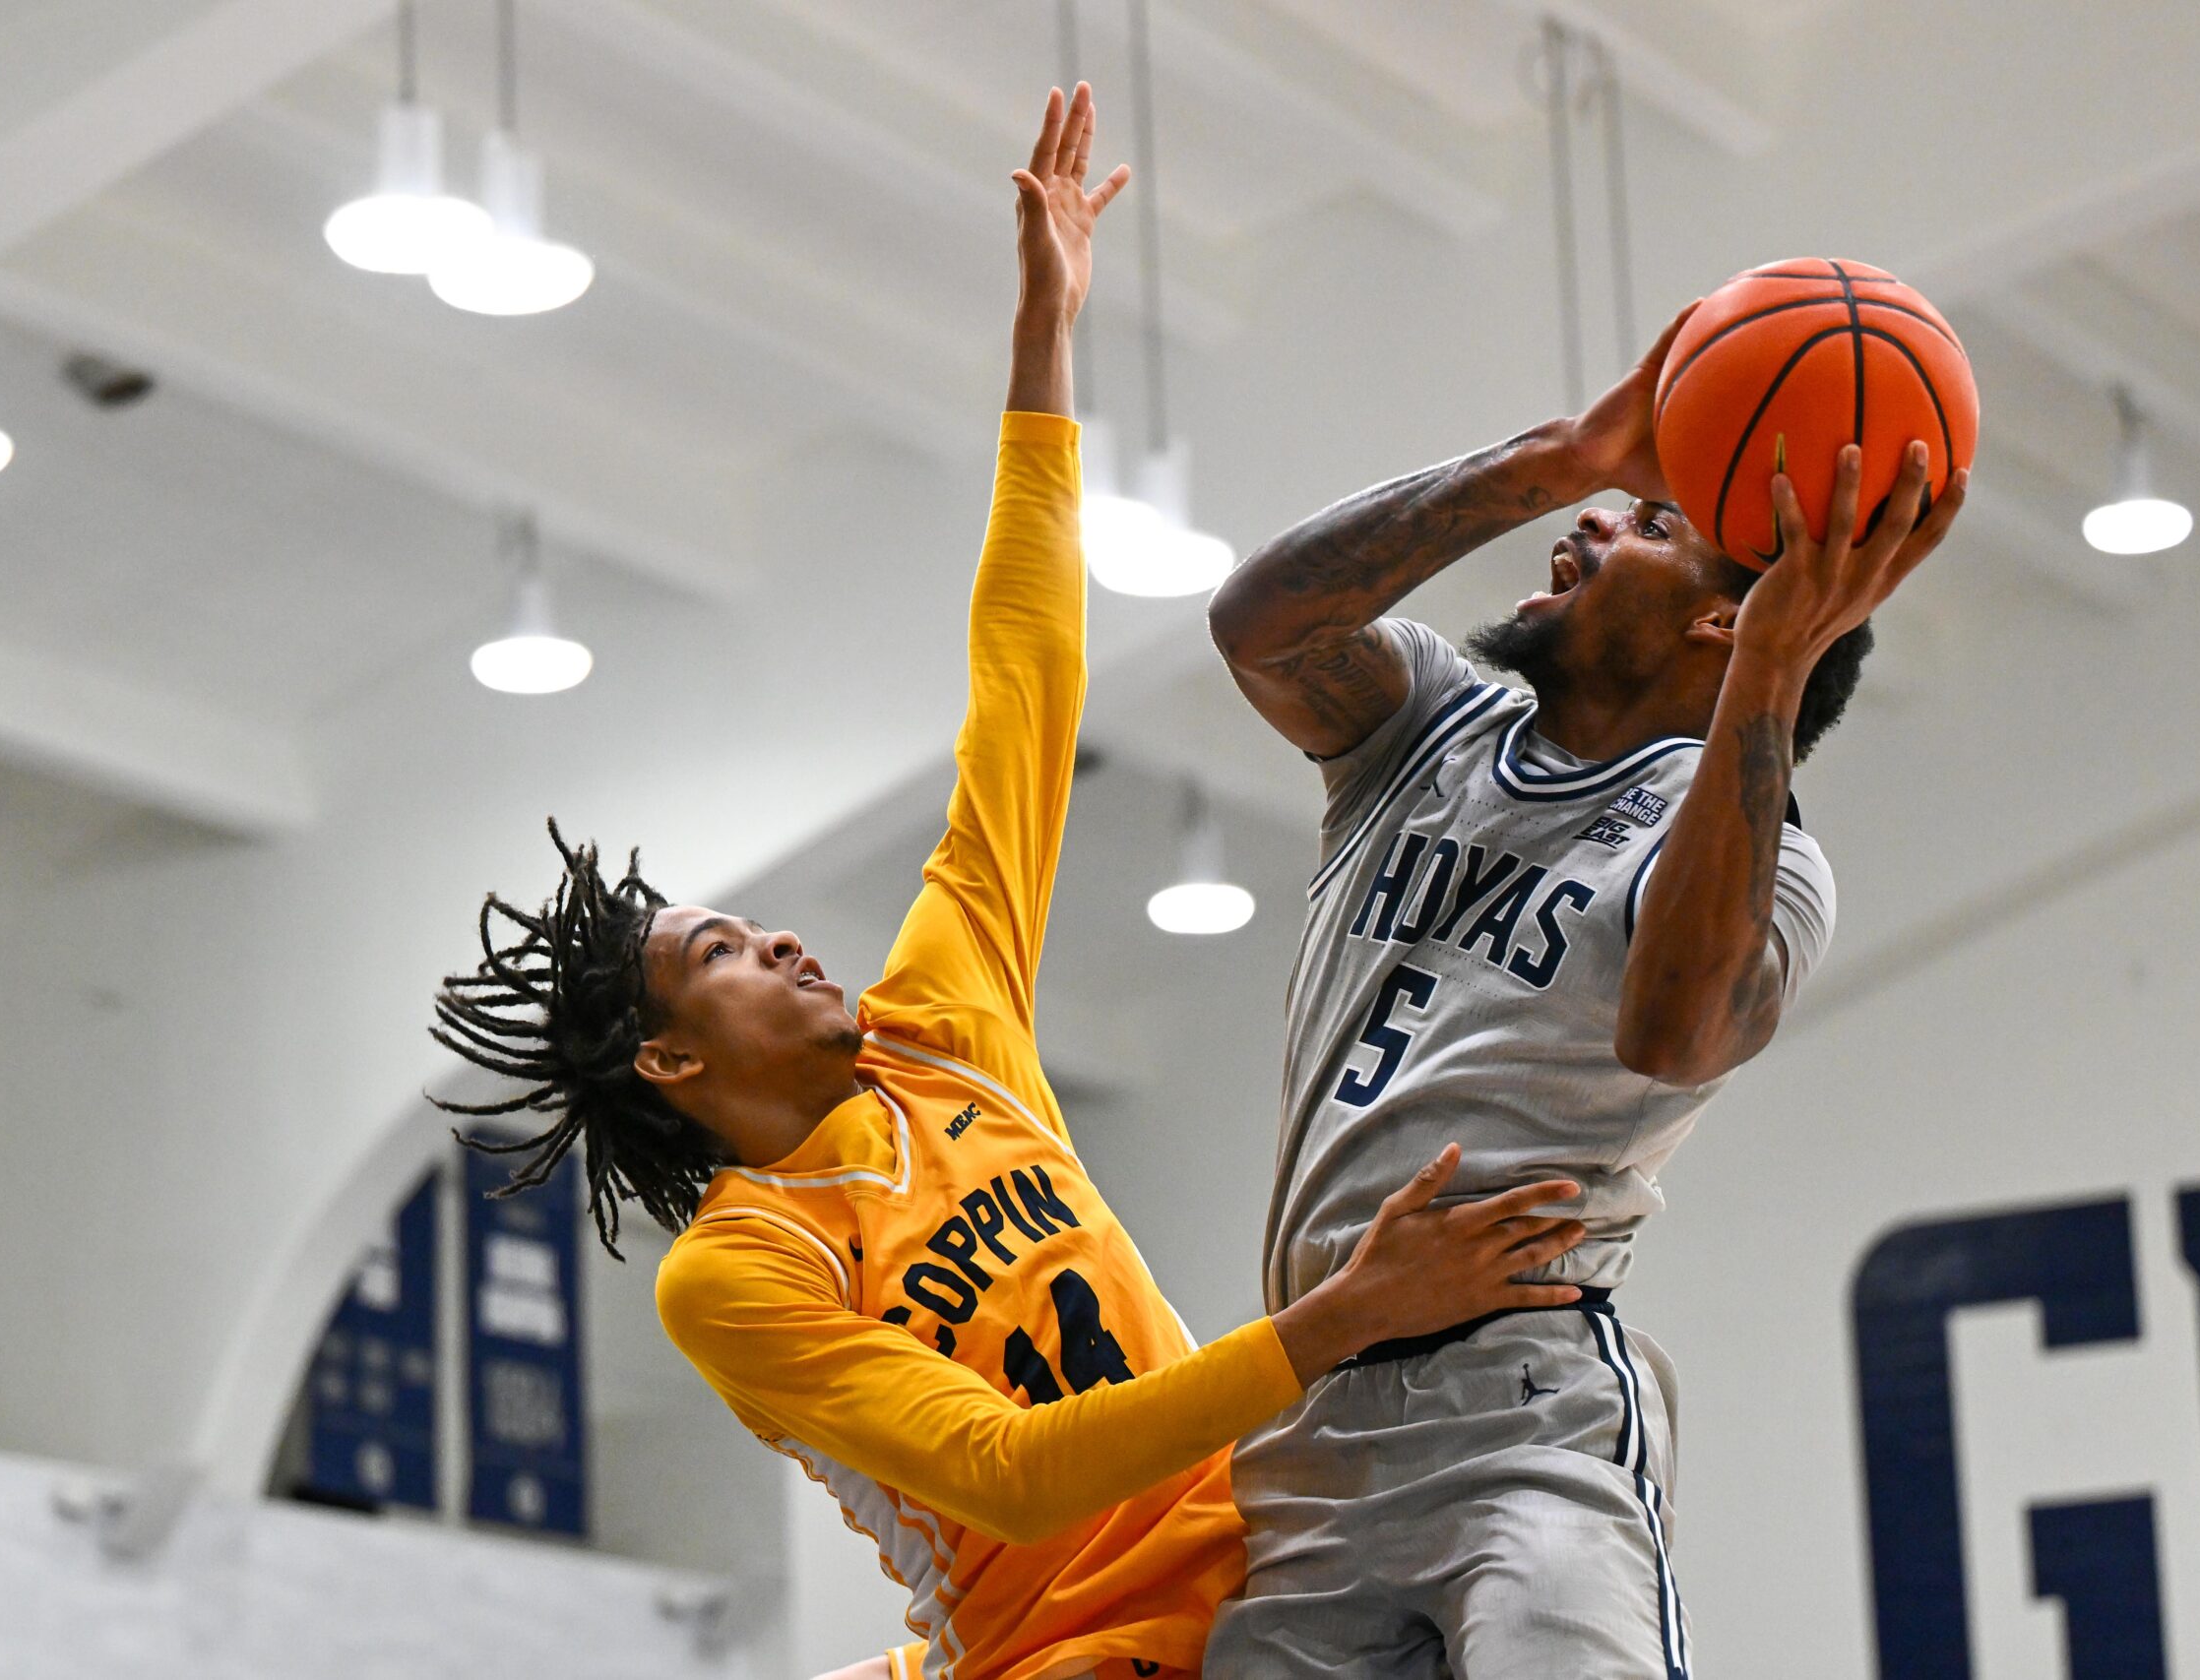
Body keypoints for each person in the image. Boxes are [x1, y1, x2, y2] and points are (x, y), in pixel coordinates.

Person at [428, 85, 1588, 1680]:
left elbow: (1024, 688)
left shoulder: (938, 1024)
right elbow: (1007, 1473)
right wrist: (1344, 1317)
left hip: (1264, 1564)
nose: (781, 937)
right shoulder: (740, 1272)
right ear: (673, 1061)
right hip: (1069, 1651)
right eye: (723, 953)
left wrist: (1045, 339)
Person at [1199, 312, 1969, 1678]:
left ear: (1722, 616)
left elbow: (1672, 1034)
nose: (1592, 525)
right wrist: (1554, 458)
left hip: (1519, 1410)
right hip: (1311, 1416)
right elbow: (1257, 624)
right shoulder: (1426, 727)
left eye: (1649, 525)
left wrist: (1773, 666)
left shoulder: (1764, 859)